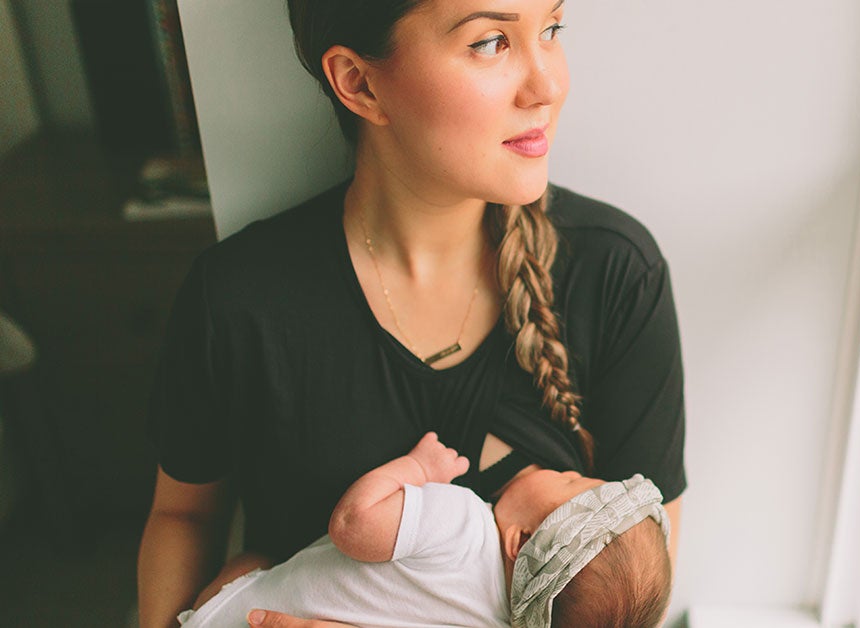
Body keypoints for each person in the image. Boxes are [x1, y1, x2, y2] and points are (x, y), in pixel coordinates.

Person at [137, 1, 686, 626]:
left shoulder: (616, 274)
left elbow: (631, 592)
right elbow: (183, 517)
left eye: (552, 29)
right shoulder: (239, 297)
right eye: (490, 42)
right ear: (360, 82)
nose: (550, 84)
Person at [177, 433, 671, 628]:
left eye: (568, 481)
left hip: (235, 618)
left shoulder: (461, 525)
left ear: (519, 541)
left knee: (251, 561)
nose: (563, 469)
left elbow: (353, 524)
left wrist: (415, 468)